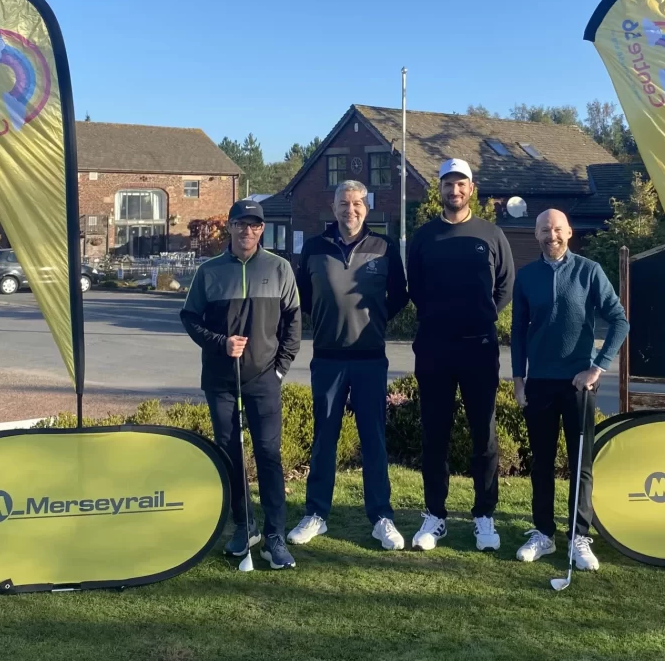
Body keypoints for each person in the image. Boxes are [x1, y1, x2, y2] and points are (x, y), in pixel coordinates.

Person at [180, 199, 302, 571]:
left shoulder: (279, 268)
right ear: (230, 227)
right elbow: (190, 318)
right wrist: (221, 343)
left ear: (261, 229)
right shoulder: (209, 271)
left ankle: (275, 536)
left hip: (264, 378)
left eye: (254, 225)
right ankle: (244, 526)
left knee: (268, 454)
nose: (247, 231)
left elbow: (293, 322)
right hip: (220, 380)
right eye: (240, 224)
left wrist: (280, 370)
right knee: (229, 453)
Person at [287, 180, 409, 549]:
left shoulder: (384, 247)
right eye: (344, 203)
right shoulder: (314, 247)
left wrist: (375, 320)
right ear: (334, 207)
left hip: (370, 358)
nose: (350, 209)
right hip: (328, 357)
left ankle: (381, 517)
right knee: (325, 437)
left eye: (357, 203)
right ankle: (316, 514)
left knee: (374, 439)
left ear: (366, 208)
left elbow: (399, 295)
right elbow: (303, 296)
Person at [511, 208, 629, 570]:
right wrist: (518, 380)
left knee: (581, 464)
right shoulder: (526, 277)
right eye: (545, 230)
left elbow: (619, 321)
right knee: (542, 462)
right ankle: (543, 533)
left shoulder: (589, 271)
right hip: (539, 383)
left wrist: (597, 367)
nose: (552, 236)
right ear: (536, 235)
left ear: (569, 232)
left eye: (558, 229)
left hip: (578, 383)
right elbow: (518, 333)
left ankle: (579, 536)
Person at [406, 158, 515, 551]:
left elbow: (505, 286)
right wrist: (442, 319)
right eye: (448, 184)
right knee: (434, 433)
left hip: (479, 348)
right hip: (434, 347)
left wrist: (480, 317)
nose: (454, 190)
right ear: (440, 189)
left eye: (461, 184)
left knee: (483, 434)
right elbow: (415, 288)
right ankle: (435, 515)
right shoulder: (423, 237)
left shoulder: (492, 234)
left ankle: (484, 515)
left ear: (472, 188)